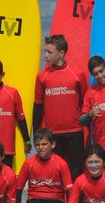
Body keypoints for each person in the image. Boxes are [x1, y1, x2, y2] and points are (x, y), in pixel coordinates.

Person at [33, 34, 89, 178]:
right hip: (52, 133)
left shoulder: (77, 74)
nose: (46, 55)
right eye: (45, 51)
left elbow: (85, 103)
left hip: (74, 131)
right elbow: (37, 106)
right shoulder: (42, 76)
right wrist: (36, 135)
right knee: (55, 172)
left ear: (62, 53)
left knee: (76, 171)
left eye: (49, 52)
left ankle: (75, 201)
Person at [12, 128, 72, 203]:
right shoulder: (29, 163)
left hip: (56, 200)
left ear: (52, 145)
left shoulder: (61, 163)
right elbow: (18, 190)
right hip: (34, 200)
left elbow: (69, 193)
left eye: (44, 144)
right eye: (37, 145)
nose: (40, 148)